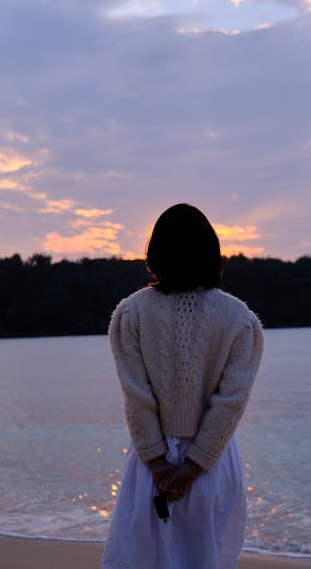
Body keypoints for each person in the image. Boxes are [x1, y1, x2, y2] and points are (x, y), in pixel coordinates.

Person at [101, 203, 264, 569]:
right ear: (211, 253)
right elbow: (229, 403)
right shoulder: (240, 319)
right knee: (208, 558)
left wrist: (158, 463)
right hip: (213, 462)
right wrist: (193, 466)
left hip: (150, 462)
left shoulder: (131, 313)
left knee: (143, 558)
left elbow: (137, 396)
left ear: (155, 253)